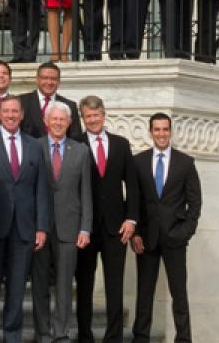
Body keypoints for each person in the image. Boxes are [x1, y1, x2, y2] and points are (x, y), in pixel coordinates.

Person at [0, 95, 50, 343]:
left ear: (22, 114)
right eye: (6, 111)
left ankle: (12, 336)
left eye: (15, 111)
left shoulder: (35, 145)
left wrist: (41, 227)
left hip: (24, 229)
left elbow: (41, 188)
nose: (11, 115)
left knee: (17, 289)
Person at [130, 113, 201, 343]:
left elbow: (195, 201)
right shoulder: (138, 161)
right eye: (157, 130)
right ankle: (141, 337)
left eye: (165, 129)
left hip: (175, 238)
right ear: (150, 132)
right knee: (144, 293)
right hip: (146, 239)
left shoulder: (185, 163)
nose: (161, 134)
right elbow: (134, 201)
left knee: (179, 294)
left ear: (171, 131)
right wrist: (136, 233)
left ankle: (183, 339)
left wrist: (186, 231)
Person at [74, 95, 138, 343]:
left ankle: (114, 337)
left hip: (116, 227)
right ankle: (85, 336)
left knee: (115, 285)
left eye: (96, 115)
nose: (92, 120)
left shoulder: (121, 144)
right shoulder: (75, 143)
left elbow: (131, 185)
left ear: (103, 114)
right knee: (85, 285)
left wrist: (131, 219)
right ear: (83, 118)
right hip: (86, 228)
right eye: (88, 116)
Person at [30, 102, 92, 343]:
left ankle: (61, 331)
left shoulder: (81, 151)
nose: (57, 123)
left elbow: (85, 191)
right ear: (47, 121)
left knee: (65, 284)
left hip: (70, 226)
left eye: (62, 120)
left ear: (69, 123)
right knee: (40, 283)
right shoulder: (33, 147)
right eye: (53, 119)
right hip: (40, 227)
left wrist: (85, 227)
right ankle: (42, 331)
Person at [17, 62, 79, 139]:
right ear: (37, 79)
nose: (49, 82)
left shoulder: (70, 106)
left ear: (59, 82)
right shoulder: (21, 102)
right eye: (45, 78)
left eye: (53, 79)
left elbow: (75, 139)